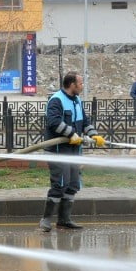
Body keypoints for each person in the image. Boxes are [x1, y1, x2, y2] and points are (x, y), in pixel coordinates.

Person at [39, 71, 105, 232]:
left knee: (73, 185)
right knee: (59, 185)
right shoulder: (56, 100)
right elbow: (53, 122)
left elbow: (85, 122)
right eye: (80, 83)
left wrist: (94, 135)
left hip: (74, 152)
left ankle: (64, 220)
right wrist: (71, 134)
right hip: (58, 151)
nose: (82, 86)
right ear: (72, 85)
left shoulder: (77, 100)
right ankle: (45, 220)